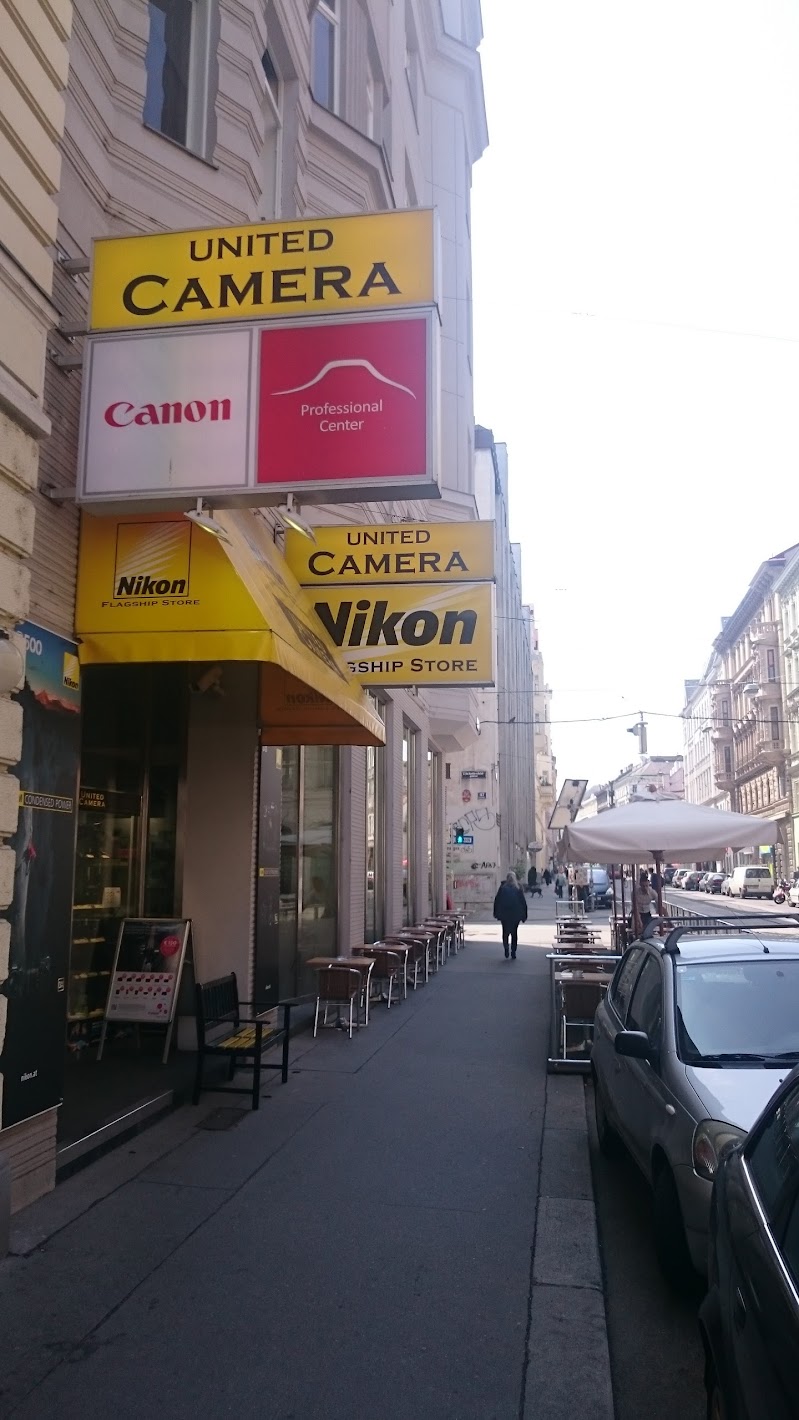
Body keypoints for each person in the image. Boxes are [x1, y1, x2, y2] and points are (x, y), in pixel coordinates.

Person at [493, 871, 528, 959]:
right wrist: (524, 915)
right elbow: (523, 902)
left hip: (504, 915)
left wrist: (496, 913)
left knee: (505, 932)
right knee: (514, 933)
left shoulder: (502, 887)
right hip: (516, 915)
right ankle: (513, 951)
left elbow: (497, 901)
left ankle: (506, 948)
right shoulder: (518, 888)